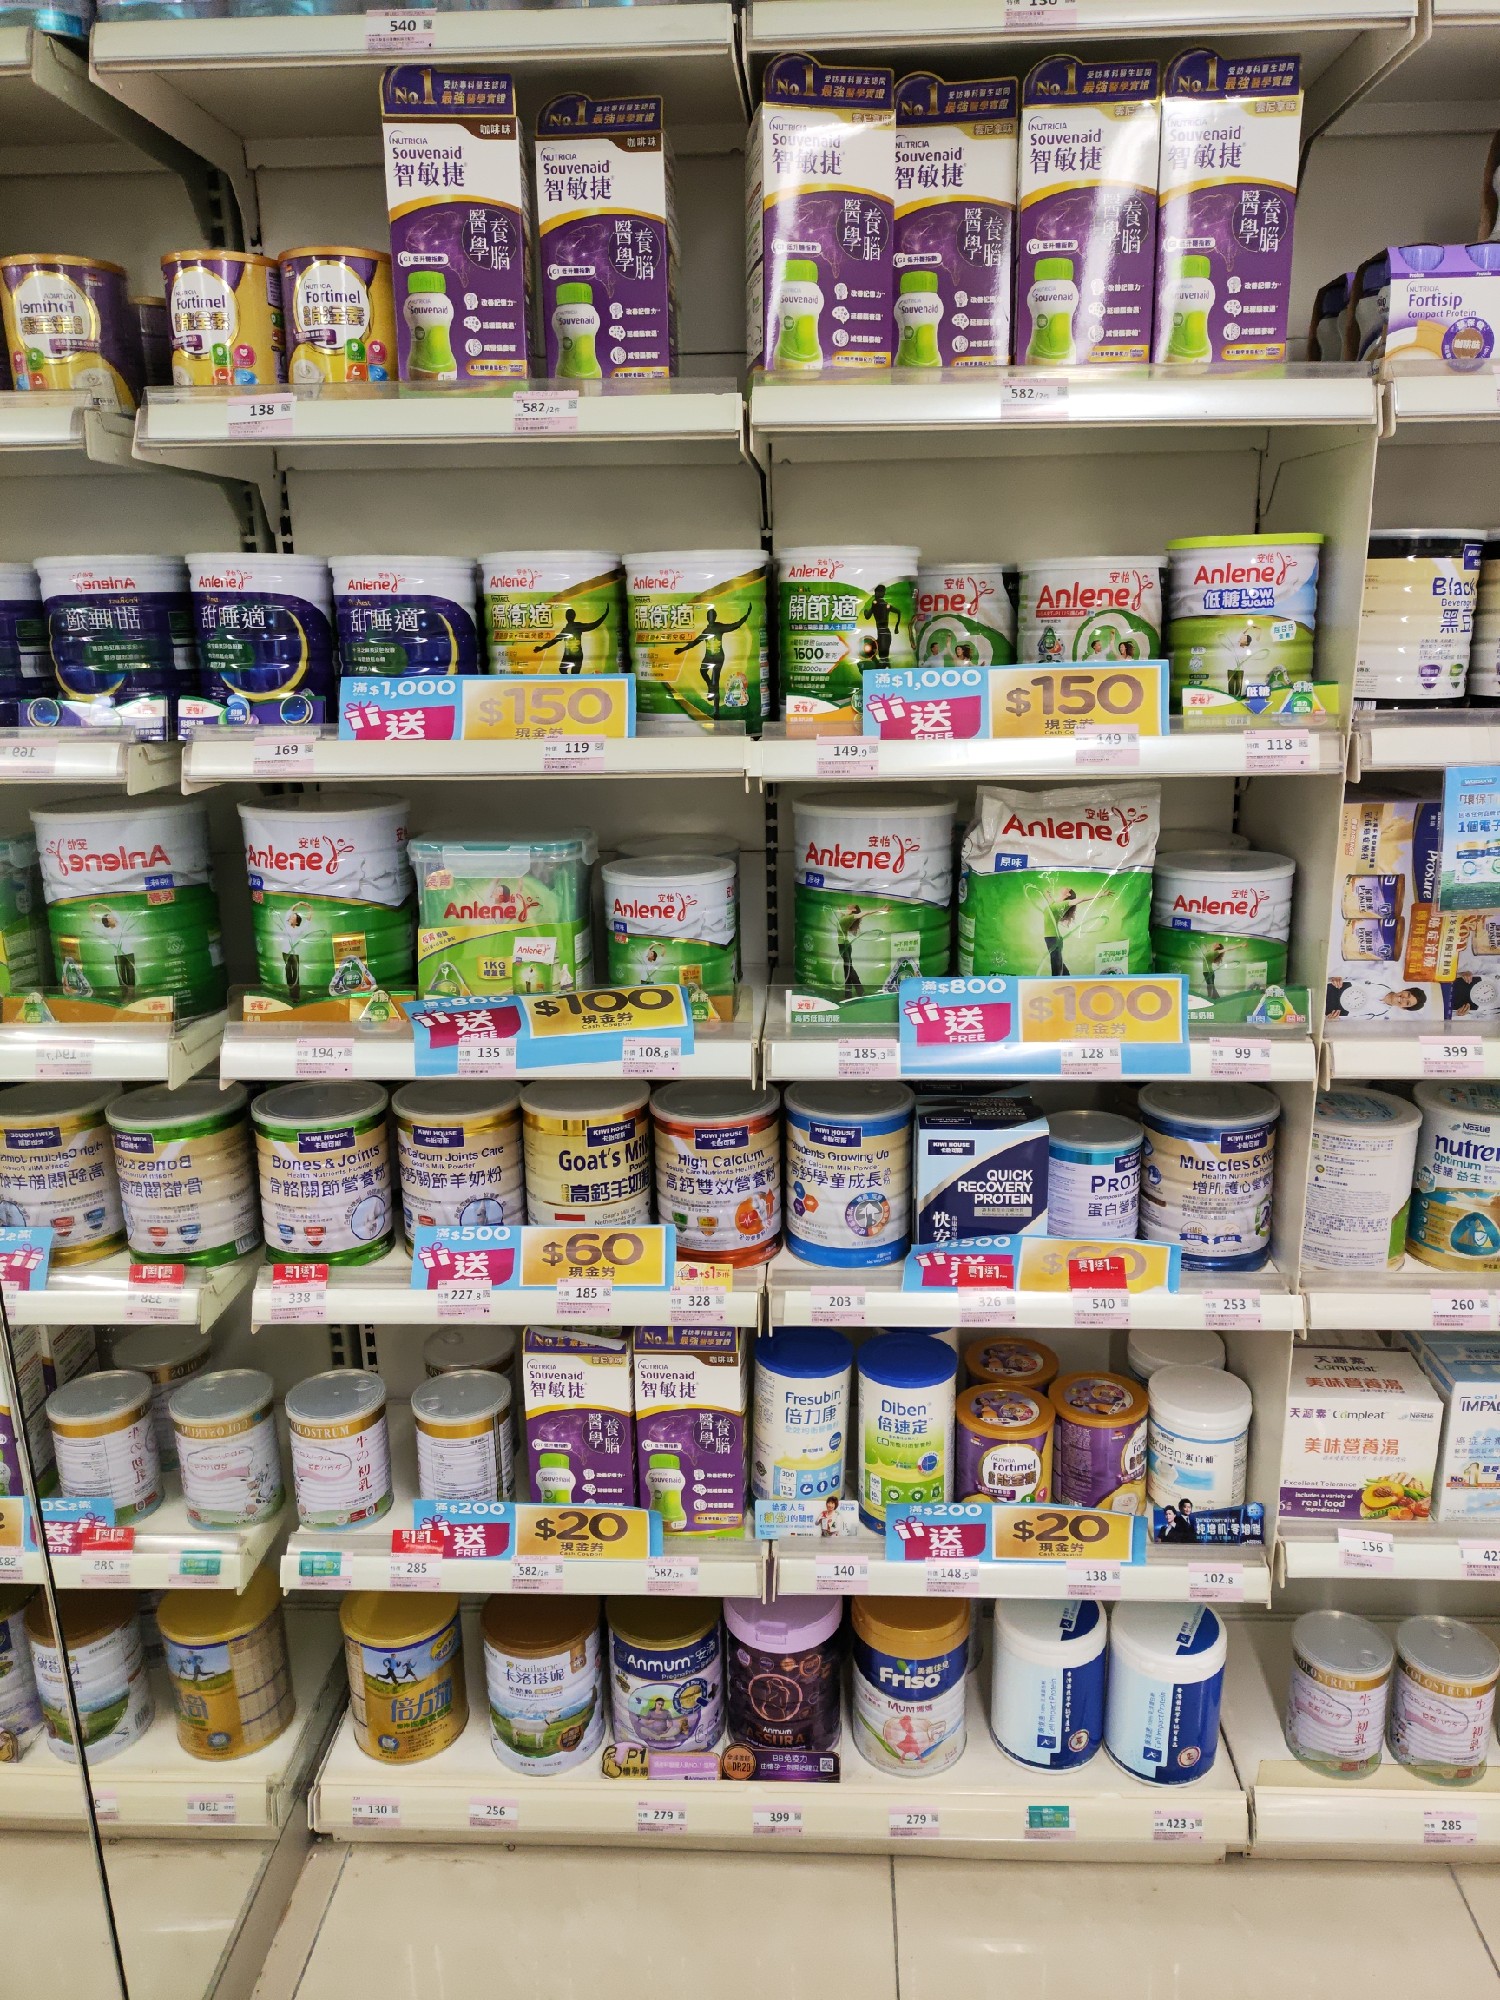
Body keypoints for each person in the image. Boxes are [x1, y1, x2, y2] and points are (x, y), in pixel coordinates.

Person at [673, 601, 752, 720]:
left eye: (712, 616)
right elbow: (695, 642)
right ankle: (710, 686)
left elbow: (734, 625)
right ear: (707, 618)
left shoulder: (719, 627)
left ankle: (716, 710)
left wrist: (746, 616)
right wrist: (682, 649)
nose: (710, 618)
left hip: (718, 657)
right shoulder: (706, 631)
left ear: (714, 617)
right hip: (708, 657)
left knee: (715, 681)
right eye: (709, 616)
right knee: (702, 671)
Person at [534, 604, 611, 674]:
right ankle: (571, 682)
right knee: (568, 672)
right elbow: (593, 625)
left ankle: (570, 681)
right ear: (574, 616)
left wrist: (542, 647)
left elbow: (554, 641)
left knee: (563, 670)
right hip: (576, 656)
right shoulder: (576, 627)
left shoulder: (566, 630)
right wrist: (604, 615)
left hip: (569, 656)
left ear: (566, 617)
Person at [1326, 977, 1427, 1019]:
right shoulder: (1378, 978)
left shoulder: (1377, 1016)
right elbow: (1347, 971)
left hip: (1326, 1010)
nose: (1404, 999)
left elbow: (1348, 1023)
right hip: (1327, 988)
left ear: (1404, 1008)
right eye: (1408, 995)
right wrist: (1336, 977)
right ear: (1405, 990)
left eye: (1407, 1003)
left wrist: (1333, 1020)